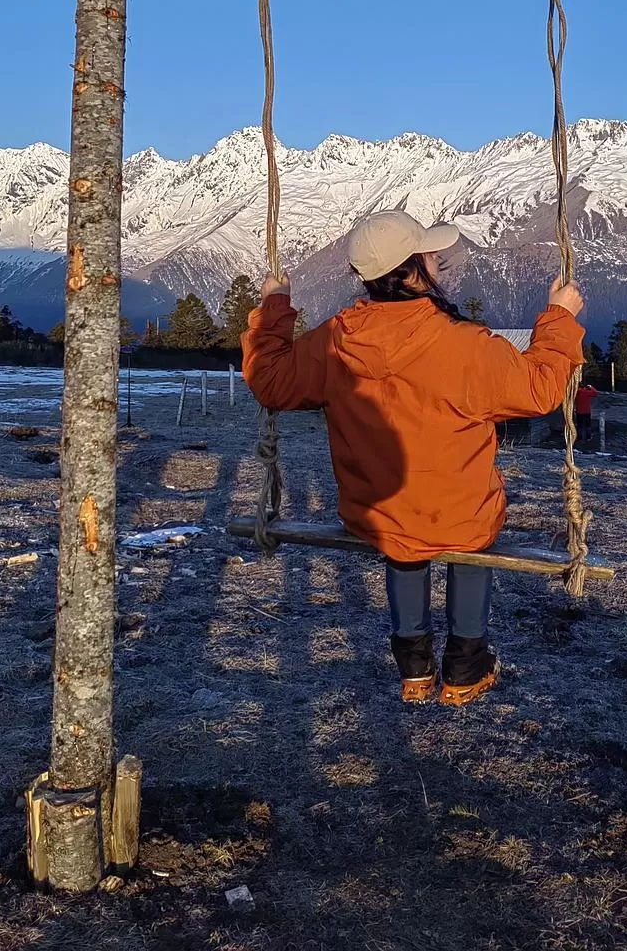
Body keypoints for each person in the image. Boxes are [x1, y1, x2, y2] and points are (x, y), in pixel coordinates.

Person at [242, 209, 585, 707]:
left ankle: (414, 668)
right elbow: (539, 390)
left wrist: (274, 306)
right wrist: (559, 318)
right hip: (459, 514)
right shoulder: (463, 344)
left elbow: (269, 381)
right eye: (428, 253)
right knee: (470, 530)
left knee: (404, 535)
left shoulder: (336, 341)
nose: (437, 260)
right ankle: (466, 668)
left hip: (376, 513)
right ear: (413, 268)